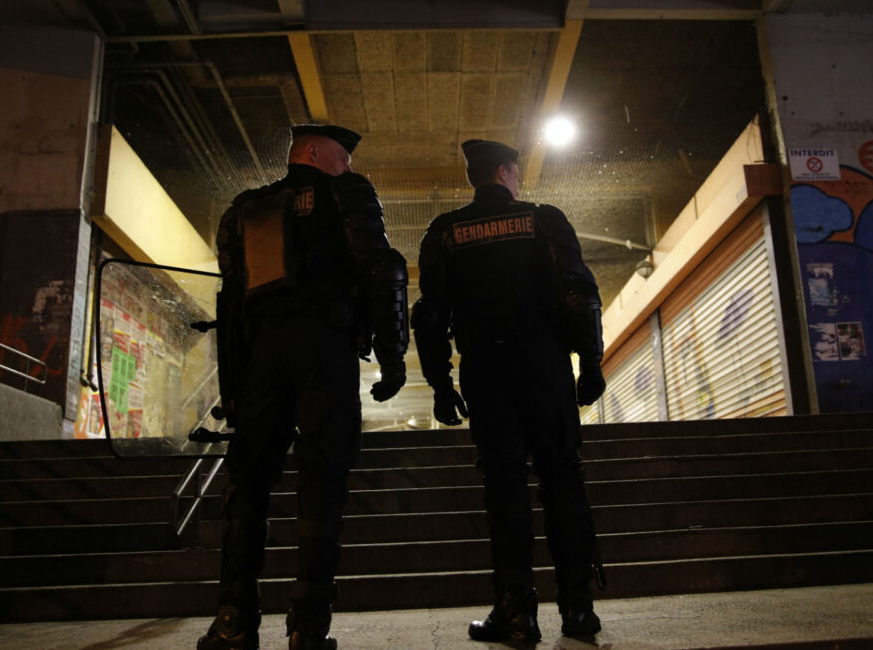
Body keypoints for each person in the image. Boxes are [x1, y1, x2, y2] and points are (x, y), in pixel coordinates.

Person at [199, 124, 409, 650]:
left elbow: (232, 295)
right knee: (323, 481)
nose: (347, 167)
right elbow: (381, 269)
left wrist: (235, 384)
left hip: (262, 361)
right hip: (325, 352)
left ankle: (232, 619)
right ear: (312, 153)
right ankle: (308, 628)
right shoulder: (349, 193)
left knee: (247, 486)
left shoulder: (246, 208)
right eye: (340, 157)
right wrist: (392, 354)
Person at [412, 139, 607, 643]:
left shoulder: (446, 232)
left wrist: (440, 382)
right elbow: (578, 293)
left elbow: (431, 315)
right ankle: (578, 610)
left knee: (504, 487)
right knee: (562, 477)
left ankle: (516, 614)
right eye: (516, 173)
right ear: (505, 172)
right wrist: (589, 363)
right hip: (545, 365)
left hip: (486, 371)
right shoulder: (544, 220)